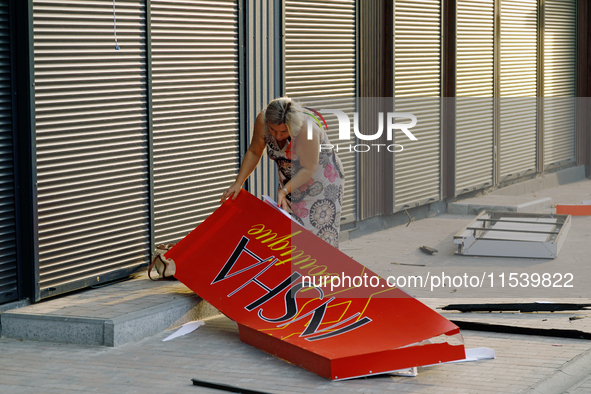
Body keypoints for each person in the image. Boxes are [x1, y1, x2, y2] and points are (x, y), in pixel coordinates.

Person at [220, 96, 345, 248]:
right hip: (291, 179)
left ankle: (323, 270)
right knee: (289, 233)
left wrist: (285, 190)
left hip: (322, 182)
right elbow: (254, 151)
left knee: (318, 239)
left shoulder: (307, 128)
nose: (277, 136)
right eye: (273, 130)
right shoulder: (263, 120)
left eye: (283, 132)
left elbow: (308, 168)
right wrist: (238, 183)